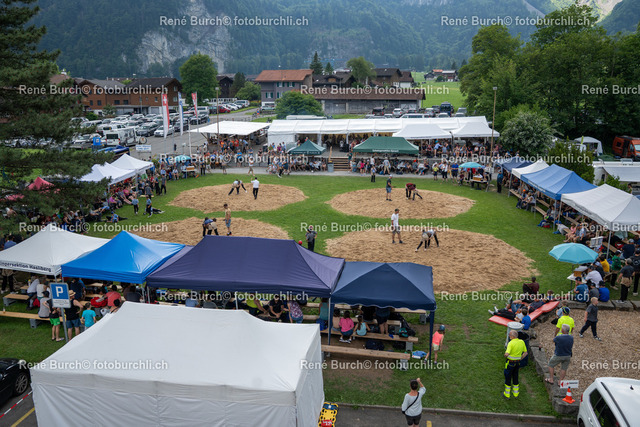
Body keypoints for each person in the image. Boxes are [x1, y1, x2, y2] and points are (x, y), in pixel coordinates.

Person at [503, 330, 527, 399]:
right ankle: (515, 394)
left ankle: (507, 394)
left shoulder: (511, 343)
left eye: (509, 335)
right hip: (517, 363)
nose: (509, 336)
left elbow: (507, 354)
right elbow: (525, 353)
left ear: (512, 336)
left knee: (508, 377)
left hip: (510, 363)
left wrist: (505, 355)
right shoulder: (522, 342)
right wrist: (520, 358)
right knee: (515, 377)